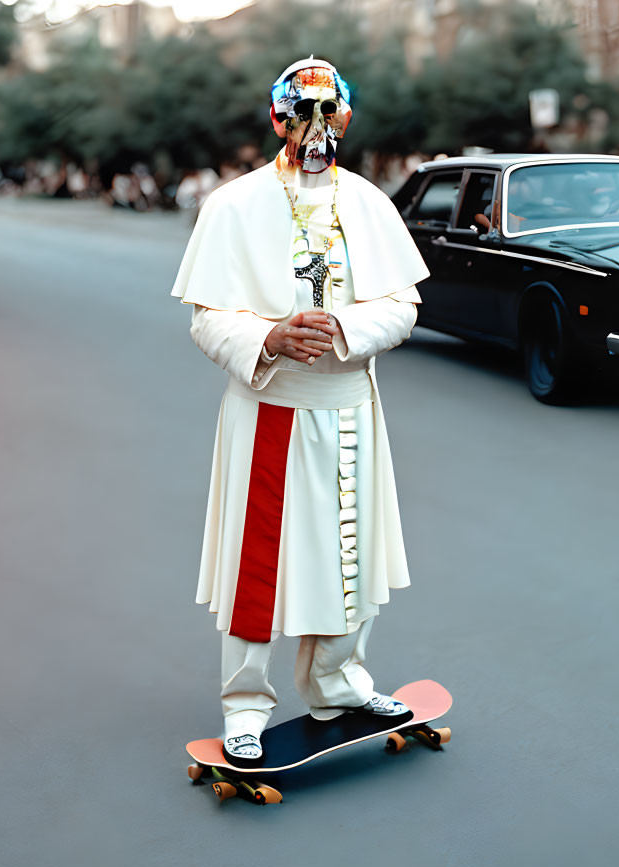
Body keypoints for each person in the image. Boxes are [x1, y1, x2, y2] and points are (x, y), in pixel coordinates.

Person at [171, 57, 429, 766]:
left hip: (347, 405)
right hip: (270, 405)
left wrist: (344, 330)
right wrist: (269, 336)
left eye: (327, 111)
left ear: (344, 117)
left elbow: (403, 305)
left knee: (351, 551)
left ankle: (337, 683)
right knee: (259, 562)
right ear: (277, 118)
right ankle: (245, 704)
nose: (315, 127)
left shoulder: (370, 204)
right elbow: (205, 317)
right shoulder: (232, 205)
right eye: (300, 112)